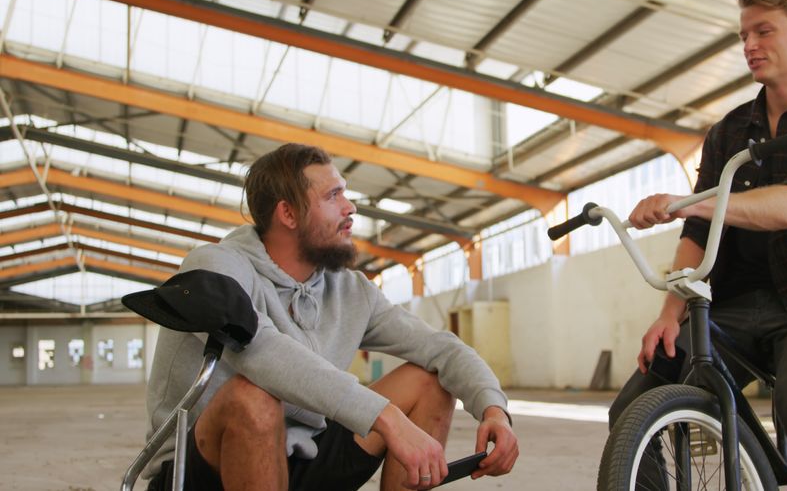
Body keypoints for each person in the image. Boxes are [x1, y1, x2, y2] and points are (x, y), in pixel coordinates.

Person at [609, 0, 787, 490]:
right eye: (744, 34)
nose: (749, 45)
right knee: (632, 405)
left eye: (764, 31)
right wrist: (669, 312)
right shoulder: (729, 131)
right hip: (729, 308)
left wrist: (692, 202)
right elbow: (698, 229)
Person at [144, 143, 518, 491]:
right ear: (287, 213)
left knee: (430, 378)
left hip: (306, 455)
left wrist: (494, 409)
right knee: (252, 397)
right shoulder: (215, 268)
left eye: (345, 192)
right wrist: (386, 418)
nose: (350, 207)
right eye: (333, 195)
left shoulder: (350, 289)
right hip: (202, 469)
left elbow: (441, 349)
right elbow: (262, 352)